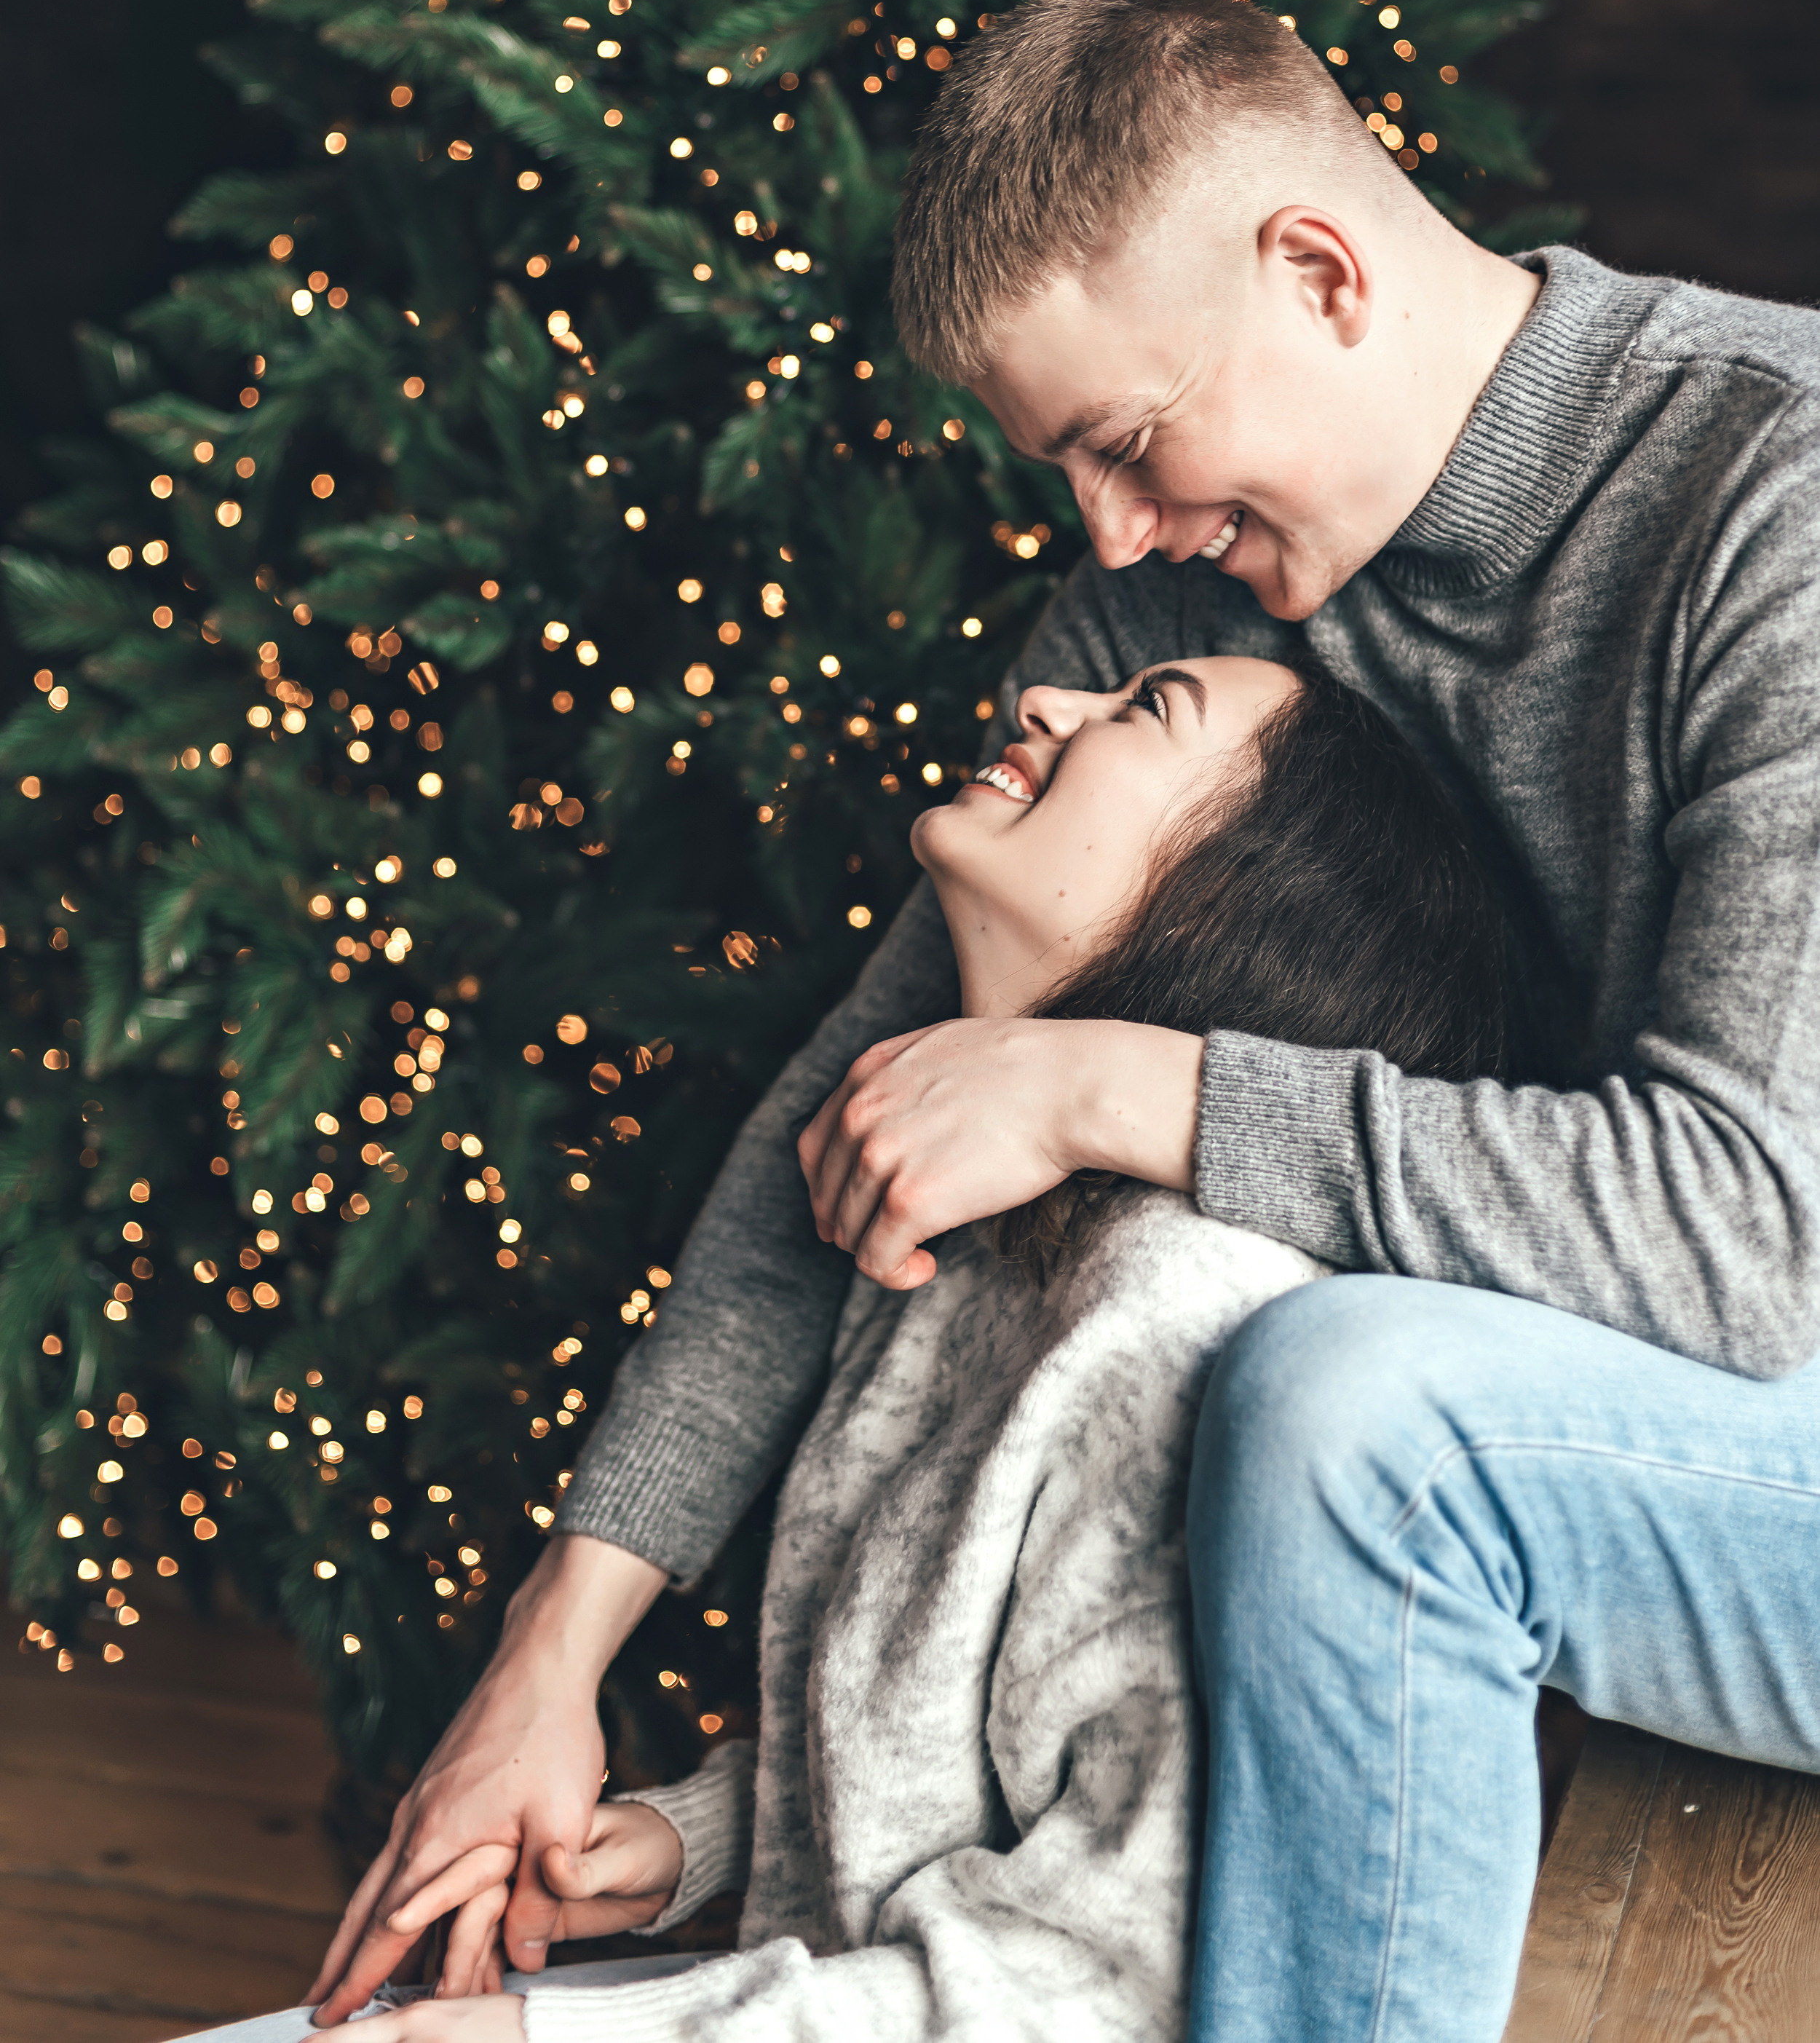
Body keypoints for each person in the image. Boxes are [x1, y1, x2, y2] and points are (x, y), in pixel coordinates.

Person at [311, 0, 1820, 2043]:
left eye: (1126, 438)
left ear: (1317, 271)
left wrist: (1113, 1079)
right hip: (1556, 1400)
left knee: (1350, 1396)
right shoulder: (1169, 612)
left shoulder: (1773, 486)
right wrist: (552, 1654)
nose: (1099, 540)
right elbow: (851, 1119)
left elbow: (1748, 1238)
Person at [268, 652, 1519, 2042]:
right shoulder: (965, 1223)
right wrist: (698, 1838)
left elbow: (1104, 1988)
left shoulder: (1176, 1330)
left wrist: (563, 2037)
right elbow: (979, 1769)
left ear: (1255, 903)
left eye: (1146, 710)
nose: (1047, 699)